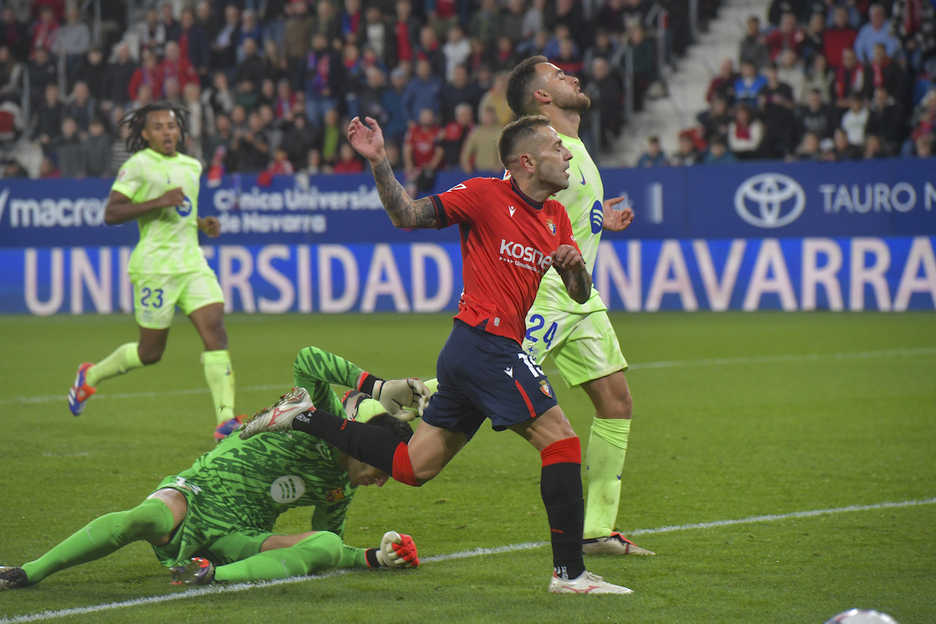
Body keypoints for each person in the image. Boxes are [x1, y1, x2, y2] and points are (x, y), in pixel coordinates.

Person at [240, 113, 633, 595]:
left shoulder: (555, 217)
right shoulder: (484, 195)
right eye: (557, 147)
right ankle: (569, 574)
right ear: (527, 161)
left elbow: (578, 293)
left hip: (475, 353)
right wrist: (380, 161)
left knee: (413, 467)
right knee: (563, 443)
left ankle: (301, 416)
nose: (568, 153)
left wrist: (575, 268)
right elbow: (407, 215)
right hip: (483, 342)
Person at [2, 347, 421, 591]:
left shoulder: (340, 490)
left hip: (240, 535)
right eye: (383, 468)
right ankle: (28, 572)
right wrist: (378, 387)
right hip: (199, 493)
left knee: (326, 544)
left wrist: (375, 558)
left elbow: (325, 552)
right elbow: (308, 358)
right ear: (364, 443)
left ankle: (208, 574)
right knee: (146, 517)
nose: (381, 480)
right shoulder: (326, 418)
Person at [504, 56, 652, 557]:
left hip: (580, 297)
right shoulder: (541, 151)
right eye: (556, 74)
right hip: (544, 295)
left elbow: (557, 211)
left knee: (616, 402)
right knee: (476, 392)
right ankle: (381, 402)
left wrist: (595, 218)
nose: (570, 75)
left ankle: (597, 530)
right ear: (542, 97)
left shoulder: (571, 147)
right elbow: (510, 209)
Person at [67, 103, 237, 442]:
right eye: (158, 128)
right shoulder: (139, 165)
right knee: (150, 353)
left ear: (180, 130)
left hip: (191, 263)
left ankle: (226, 420)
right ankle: (91, 375)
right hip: (155, 269)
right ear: (145, 135)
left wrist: (203, 224)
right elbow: (112, 212)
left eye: (171, 126)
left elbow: (185, 213)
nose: (167, 133)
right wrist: (157, 201)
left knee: (214, 329)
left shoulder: (192, 167)